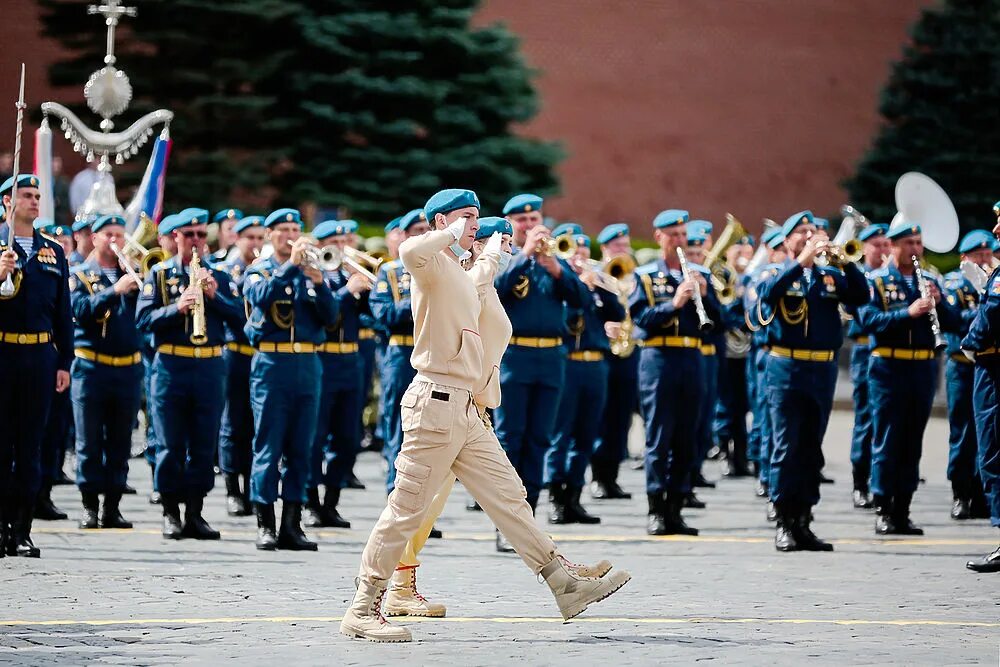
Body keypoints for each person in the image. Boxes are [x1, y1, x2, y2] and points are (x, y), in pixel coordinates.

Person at [341, 189, 629, 643]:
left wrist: (492, 254)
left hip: (468, 407)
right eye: (465, 217)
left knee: (510, 495)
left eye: (476, 217)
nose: (474, 223)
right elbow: (410, 250)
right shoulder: (430, 264)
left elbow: (478, 290)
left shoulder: (459, 271)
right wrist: (454, 236)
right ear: (439, 222)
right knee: (406, 509)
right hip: (434, 402)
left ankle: (563, 583)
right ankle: (364, 606)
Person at [757, 211, 868, 551]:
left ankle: (804, 520)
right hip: (786, 367)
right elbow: (767, 295)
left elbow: (861, 296)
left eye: (813, 231)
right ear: (787, 240)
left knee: (810, 448)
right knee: (786, 446)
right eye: (801, 232)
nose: (810, 236)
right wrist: (801, 261)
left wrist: (846, 263)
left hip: (822, 369)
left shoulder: (830, 276)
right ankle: (783, 520)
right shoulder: (776, 271)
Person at [136, 207, 244, 541]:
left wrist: (215, 297)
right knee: (170, 442)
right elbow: (142, 321)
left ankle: (195, 512)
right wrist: (177, 307)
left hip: (210, 365)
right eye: (189, 235)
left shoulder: (220, 276)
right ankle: (170, 511)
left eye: (200, 235)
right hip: (171, 365)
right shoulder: (159, 275)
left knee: (202, 442)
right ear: (175, 238)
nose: (196, 241)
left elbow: (241, 321)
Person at [493, 194, 588, 552]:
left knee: (540, 440)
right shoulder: (500, 259)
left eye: (534, 218)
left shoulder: (554, 260)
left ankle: (528, 518)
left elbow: (581, 300)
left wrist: (557, 269)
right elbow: (496, 292)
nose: (531, 225)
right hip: (514, 355)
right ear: (509, 223)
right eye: (522, 220)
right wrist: (526, 255)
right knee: (510, 440)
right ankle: (506, 522)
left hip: (551, 358)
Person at [242, 208, 339, 551]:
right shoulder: (260, 271)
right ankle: (265, 523)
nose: (290, 235)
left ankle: (292, 525)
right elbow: (261, 298)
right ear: (270, 235)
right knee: (269, 446)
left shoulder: (311, 271)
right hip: (272, 362)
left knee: (302, 447)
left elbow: (331, 318)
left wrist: (318, 283)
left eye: (295, 229)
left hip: (308, 363)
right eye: (283, 229)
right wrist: (289, 268)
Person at [858, 223, 959, 536]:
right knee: (887, 439)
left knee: (912, 442)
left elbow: (955, 324)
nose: (916, 249)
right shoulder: (874, 281)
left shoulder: (929, 280)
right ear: (892, 245)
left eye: (919, 243)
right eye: (909, 243)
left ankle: (903, 508)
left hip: (923, 368)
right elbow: (868, 321)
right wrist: (908, 312)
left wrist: (941, 304)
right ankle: (883, 509)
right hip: (888, 366)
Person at [630, 209, 720, 536]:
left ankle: (677, 507)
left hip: (691, 358)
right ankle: (656, 508)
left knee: (687, 437)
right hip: (659, 359)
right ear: (659, 238)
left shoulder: (699, 274)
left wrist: (707, 299)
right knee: (659, 436)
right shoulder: (644, 276)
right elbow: (640, 317)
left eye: (683, 235)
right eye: (674, 235)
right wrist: (674, 304)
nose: (679, 241)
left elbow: (720, 323)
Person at [0, 174, 74, 557]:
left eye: (37, 196)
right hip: (3, 355)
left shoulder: (52, 251)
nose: (34, 201)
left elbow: (64, 312)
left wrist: (65, 360)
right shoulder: (0, 247)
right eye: (26, 196)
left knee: (31, 447)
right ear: (7, 203)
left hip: (40, 358)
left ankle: (22, 529)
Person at [68, 214, 143, 529]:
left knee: (120, 441)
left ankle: (112, 506)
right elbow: (80, 312)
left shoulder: (134, 275)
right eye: (109, 234)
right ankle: (89, 506)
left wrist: (136, 286)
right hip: (91, 367)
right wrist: (114, 291)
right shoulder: (80, 275)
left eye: (120, 234)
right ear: (94, 238)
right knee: (89, 441)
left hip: (127, 369)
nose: (116, 240)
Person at [544, 233, 623, 525]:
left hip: (596, 365)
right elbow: (565, 322)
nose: (579, 257)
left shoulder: (596, 285)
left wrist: (603, 288)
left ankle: (574, 497)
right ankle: (556, 498)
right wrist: (580, 289)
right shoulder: (557, 285)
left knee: (586, 435)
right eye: (573, 252)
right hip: (567, 364)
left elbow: (618, 313)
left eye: (583, 251)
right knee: (560, 435)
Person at [304, 220, 372, 529]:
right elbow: (325, 316)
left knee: (348, 437)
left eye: (343, 240)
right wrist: (347, 291)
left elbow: (371, 317)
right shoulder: (312, 278)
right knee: (315, 437)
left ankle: (331, 503)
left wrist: (368, 293)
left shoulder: (351, 274)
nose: (340, 247)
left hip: (351, 362)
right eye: (332, 241)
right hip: (324, 359)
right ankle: (311, 503)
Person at [371, 209, 426, 494]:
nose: (423, 236)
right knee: (398, 428)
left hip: (432, 354)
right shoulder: (391, 272)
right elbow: (385, 315)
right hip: (401, 355)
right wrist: (420, 296)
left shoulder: (444, 268)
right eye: (416, 231)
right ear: (403, 237)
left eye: (426, 230)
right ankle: (397, 495)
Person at [944, 230, 996, 520]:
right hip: (961, 365)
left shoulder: (993, 281)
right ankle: (960, 493)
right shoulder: (956, 282)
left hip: (987, 364)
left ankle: (982, 493)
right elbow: (952, 318)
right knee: (963, 433)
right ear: (965, 257)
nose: (985, 258)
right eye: (979, 254)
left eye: (988, 254)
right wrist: (985, 306)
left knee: (987, 434)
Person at [962, 201, 1000, 573]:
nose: (997, 230)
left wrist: (969, 341)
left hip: (993, 365)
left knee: (992, 452)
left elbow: (992, 311)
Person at [218, 215, 265, 517]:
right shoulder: (224, 271)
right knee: (233, 423)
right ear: (237, 239)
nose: (257, 244)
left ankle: (251, 486)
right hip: (235, 352)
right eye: (251, 238)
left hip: (261, 354)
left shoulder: (267, 269)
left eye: (261, 238)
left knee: (256, 423)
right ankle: (233, 488)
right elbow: (235, 313)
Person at [844, 224, 891, 510]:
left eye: (887, 245)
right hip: (865, 348)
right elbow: (862, 318)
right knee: (866, 417)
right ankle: (860, 481)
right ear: (864, 248)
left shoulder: (894, 277)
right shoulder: (860, 278)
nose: (883, 250)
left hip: (890, 351)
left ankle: (883, 477)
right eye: (877, 245)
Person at [590, 222, 637, 500]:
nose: (623, 249)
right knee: (603, 417)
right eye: (618, 246)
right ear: (606, 248)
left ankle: (613, 476)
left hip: (629, 353)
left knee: (622, 418)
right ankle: (598, 476)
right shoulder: (597, 277)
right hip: (604, 353)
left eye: (625, 245)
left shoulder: (633, 278)